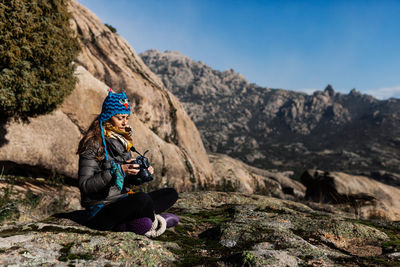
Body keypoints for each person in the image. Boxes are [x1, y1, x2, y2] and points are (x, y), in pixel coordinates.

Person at [77, 89, 179, 237]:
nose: (125, 122)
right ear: (108, 117)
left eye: (126, 117)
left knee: (170, 194)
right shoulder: (92, 144)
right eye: (120, 118)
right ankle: (154, 221)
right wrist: (117, 170)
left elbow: (125, 182)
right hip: (100, 210)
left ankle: (133, 224)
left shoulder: (121, 141)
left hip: (122, 201)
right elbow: (85, 185)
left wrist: (138, 174)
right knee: (142, 199)